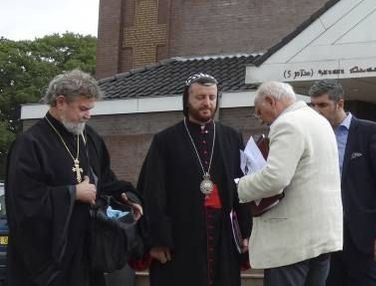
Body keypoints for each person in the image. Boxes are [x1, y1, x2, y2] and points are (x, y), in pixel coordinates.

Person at [5, 69, 143, 286]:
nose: (88, 115)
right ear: (60, 102)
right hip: (47, 261)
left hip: (87, 255)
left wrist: (126, 196)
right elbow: (22, 202)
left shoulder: (90, 138)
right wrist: (72, 193)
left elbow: (106, 181)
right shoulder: (30, 144)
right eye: (83, 109)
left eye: (90, 109)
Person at [136, 73, 252, 286]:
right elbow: (152, 192)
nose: (207, 103)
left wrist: (246, 231)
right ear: (187, 100)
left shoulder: (231, 137)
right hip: (180, 238)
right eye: (200, 97)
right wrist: (158, 240)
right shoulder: (165, 141)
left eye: (212, 97)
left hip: (223, 237)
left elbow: (242, 186)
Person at [237, 81, 343, 286]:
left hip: (291, 243)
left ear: (271, 101)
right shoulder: (320, 121)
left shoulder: (286, 124)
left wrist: (238, 187)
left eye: (260, 112)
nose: (260, 119)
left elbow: (275, 179)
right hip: (322, 237)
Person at [308, 80, 376, 286]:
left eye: (322, 105)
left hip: (362, 235)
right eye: (313, 105)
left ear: (340, 103)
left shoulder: (368, 131)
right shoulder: (313, 135)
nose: (316, 111)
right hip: (326, 237)